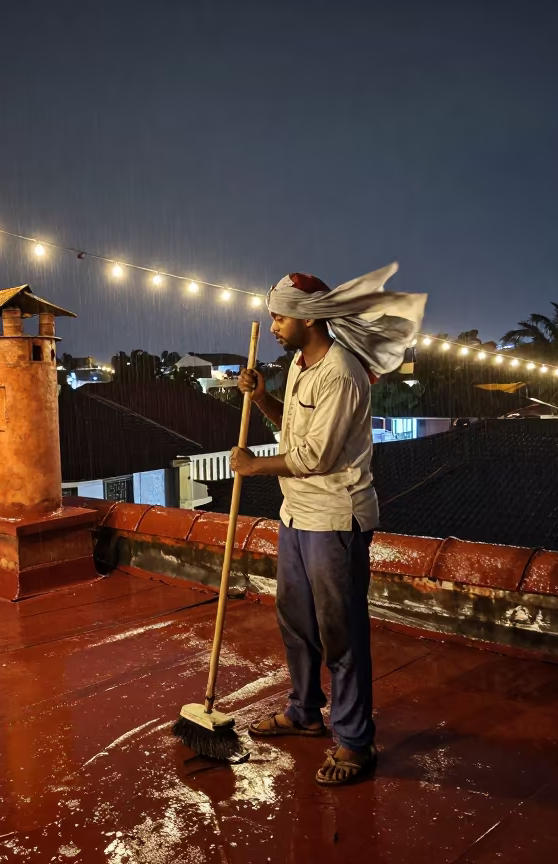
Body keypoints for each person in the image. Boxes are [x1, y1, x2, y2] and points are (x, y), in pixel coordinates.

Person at [229, 264, 425, 786]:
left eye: (280, 317)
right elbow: (294, 432)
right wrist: (262, 397)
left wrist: (253, 467)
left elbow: (316, 457)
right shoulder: (299, 364)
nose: (273, 326)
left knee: (340, 632)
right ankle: (303, 712)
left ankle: (356, 741)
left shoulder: (341, 372)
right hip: (297, 513)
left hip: (335, 517)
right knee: (296, 621)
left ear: (308, 319)